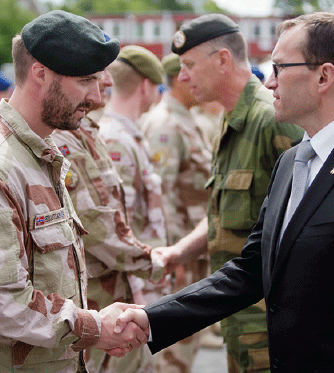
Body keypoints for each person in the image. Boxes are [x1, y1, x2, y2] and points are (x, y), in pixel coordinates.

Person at [115, 12, 334, 372]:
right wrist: (153, 318)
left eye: (279, 67)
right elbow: (251, 270)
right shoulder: (290, 162)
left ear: (324, 76)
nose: (269, 83)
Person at [0, 11, 147, 372]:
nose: (95, 97)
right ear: (41, 73)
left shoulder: (37, 154)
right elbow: (1, 301)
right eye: (85, 81)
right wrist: (93, 327)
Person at [151, 13, 302, 373]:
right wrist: (179, 252)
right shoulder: (231, 121)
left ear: (222, 60)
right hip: (239, 320)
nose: (181, 77)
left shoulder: (273, 120)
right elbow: (226, 214)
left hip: (272, 326)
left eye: (188, 65)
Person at [51, 67, 164, 373]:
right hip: (94, 295)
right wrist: (156, 262)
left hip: (115, 284)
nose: (109, 81)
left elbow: (114, 212)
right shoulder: (64, 138)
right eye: (94, 74)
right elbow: (94, 224)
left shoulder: (88, 131)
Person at [141, 52, 215, 372]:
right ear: (178, 79)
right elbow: (161, 194)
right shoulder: (165, 124)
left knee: (189, 338)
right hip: (181, 247)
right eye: (191, 75)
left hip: (193, 244)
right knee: (175, 347)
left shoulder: (186, 118)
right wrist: (175, 252)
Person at [98, 45, 167, 249]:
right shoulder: (117, 140)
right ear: (146, 86)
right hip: (134, 272)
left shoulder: (126, 134)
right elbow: (119, 224)